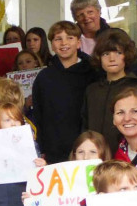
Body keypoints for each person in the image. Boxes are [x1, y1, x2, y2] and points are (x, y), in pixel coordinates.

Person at [31, 21, 97, 164]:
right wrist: (41, 147)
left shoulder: (92, 74)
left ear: (79, 43)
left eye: (70, 38)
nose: (64, 43)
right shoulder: (44, 77)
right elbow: (38, 114)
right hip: (52, 149)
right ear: (52, 45)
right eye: (58, 39)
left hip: (86, 149)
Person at [82, 29, 137, 156]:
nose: (112, 58)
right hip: (94, 157)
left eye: (118, 53)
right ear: (99, 57)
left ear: (126, 55)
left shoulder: (135, 87)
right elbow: (84, 124)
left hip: (125, 157)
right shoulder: (92, 89)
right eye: (106, 54)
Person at [70, 0, 137, 79]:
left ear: (99, 12)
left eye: (90, 12)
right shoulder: (71, 40)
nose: (86, 18)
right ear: (75, 19)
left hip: (116, 89)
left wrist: (127, 86)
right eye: (80, 15)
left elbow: (135, 62)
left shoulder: (116, 35)